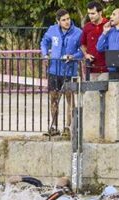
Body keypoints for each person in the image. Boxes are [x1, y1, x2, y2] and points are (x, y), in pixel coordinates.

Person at [40, 9, 83, 137]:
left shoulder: (78, 33)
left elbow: (83, 51)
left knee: (70, 100)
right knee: (53, 99)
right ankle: (53, 126)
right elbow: (44, 42)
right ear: (58, 21)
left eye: (68, 19)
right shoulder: (52, 30)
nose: (67, 22)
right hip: (54, 70)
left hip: (69, 71)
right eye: (64, 20)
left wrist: (73, 56)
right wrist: (45, 54)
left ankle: (68, 127)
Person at [80, 1, 108, 80]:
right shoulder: (87, 27)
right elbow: (82, 44)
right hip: (91, 69)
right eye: (89, 13)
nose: (90, 16)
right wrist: (86, 55)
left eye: (93, 13)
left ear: (100, 13)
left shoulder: (108, 25)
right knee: (90, 91)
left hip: (107, 69)